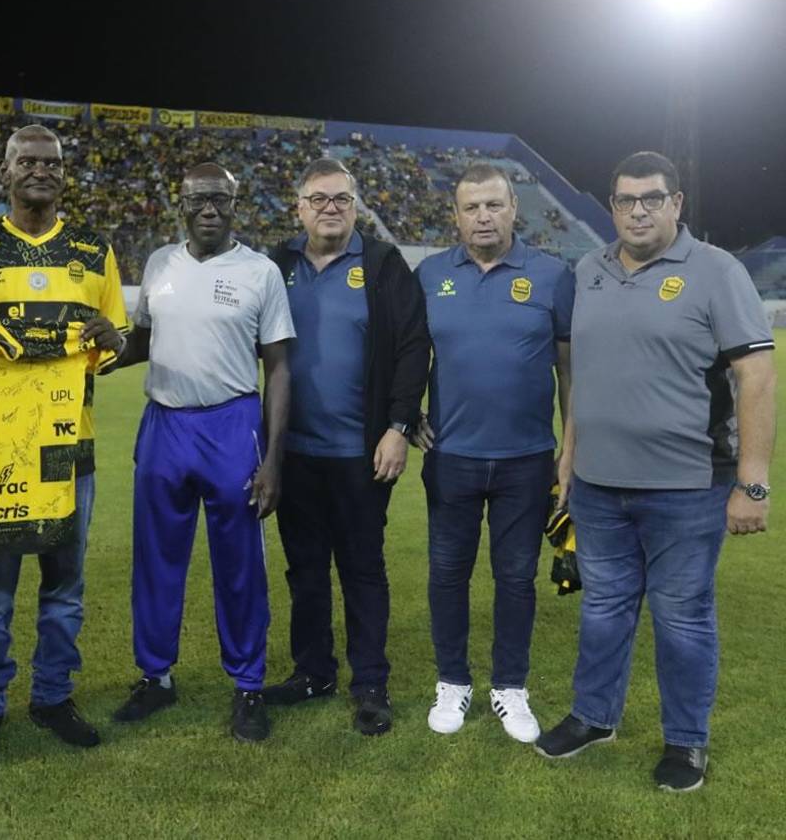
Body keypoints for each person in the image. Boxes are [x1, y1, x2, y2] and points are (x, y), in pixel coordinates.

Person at [536, 152, 776, 792]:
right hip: (598, 485)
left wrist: (753, 483)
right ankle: (594, 717)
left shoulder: (717, 271)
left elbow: (756, 376)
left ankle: (686, 742)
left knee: (682, 617)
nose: (637, 211)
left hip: (687, 488)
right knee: (603, 607)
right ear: (611, 206)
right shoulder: (589, 269)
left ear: (676, 204)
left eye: (651, 198)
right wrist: (569, 457)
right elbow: (584, 375)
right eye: (624, 199)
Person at [0, 124, 128, 763]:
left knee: (64, 584)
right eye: (27, 162)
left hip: (71, 450)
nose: (40, 171)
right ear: (5, 172)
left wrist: (113, 338)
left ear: (64, 174)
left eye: (52, 163)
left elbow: (113, 341)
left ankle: (53, 697)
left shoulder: (94, 252)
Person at [111, 162, 294, 742]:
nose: (209, 209)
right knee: (155, 558)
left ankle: (248, 685)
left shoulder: (260, 272)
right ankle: (155, 677)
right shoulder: (160, 263)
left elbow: (279, 368)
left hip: (231, 424)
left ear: (236, 205)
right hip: (164, 423)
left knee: (239, 563)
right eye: (197, 200)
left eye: (220, 199)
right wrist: (96, 352)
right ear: (181, 205)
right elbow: (141, 343)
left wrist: (272, 460)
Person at [264, 158, 429, 735]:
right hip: (294, 454)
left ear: (355, 206)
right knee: (305, 570)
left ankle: (370, 684)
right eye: (318, 199)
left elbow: (413, 346)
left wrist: (398, 426)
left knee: (362, 569)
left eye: (340, 198)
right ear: (299, 207)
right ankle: (313, 672)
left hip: (362, 454)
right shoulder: (277, 264)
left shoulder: (383, 264)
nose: (329, 208)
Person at [413, 162, 574, 743]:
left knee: (515, 577)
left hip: (527, 460)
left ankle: (510, 686)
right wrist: (406, 415)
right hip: (451, 456)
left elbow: (570, 370)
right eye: (472, 207)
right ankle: (452, 681)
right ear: (456, 216)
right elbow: (408, 355)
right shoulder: (430, 274)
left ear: (513, 209)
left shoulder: (553, 275)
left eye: (494, 205)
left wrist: (570, 450)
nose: (483, 217)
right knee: (446, 574)